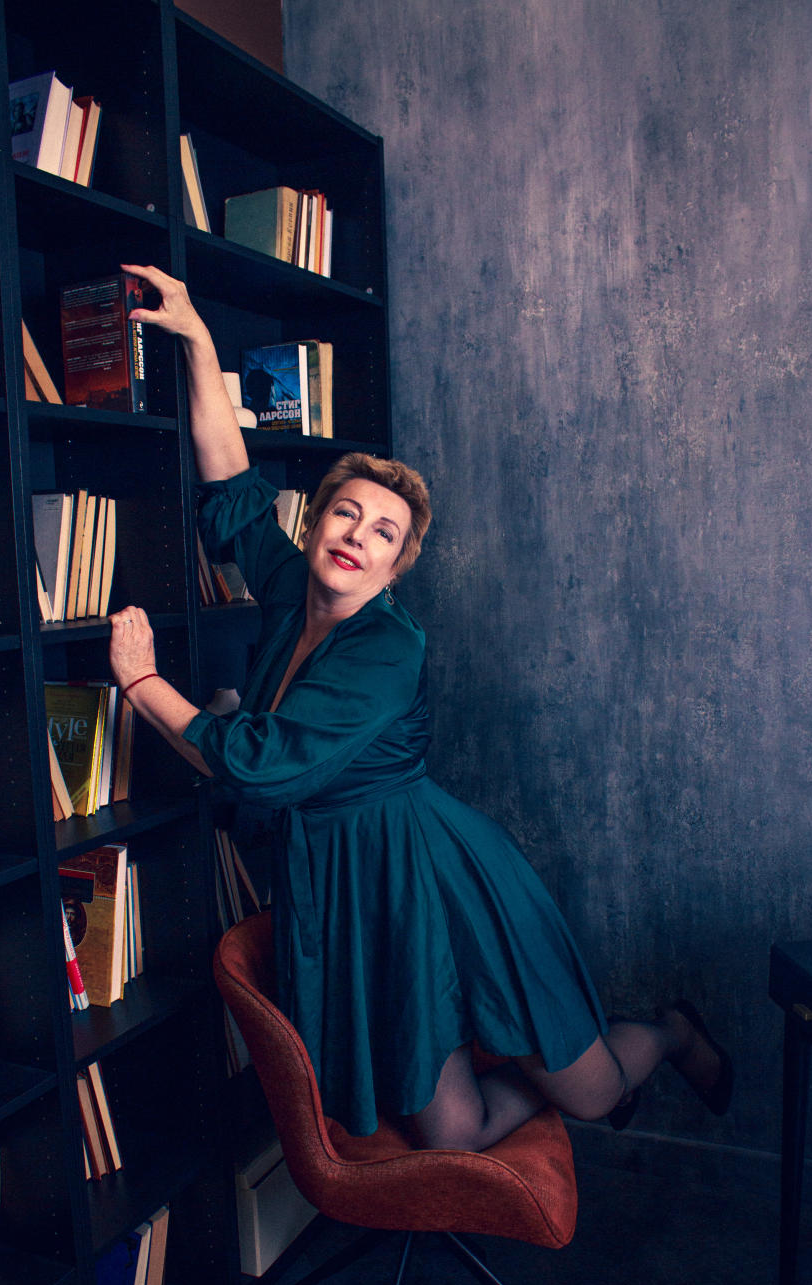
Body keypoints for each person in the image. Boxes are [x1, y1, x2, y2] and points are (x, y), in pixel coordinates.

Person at [108, 263, 734, 1149]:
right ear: (314, 522)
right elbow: (234, 486)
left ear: (397, 565)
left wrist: (143, 684)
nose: (357, 538)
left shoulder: (389, 647)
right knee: (450, 1133)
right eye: (345, 515)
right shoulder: (288, 590)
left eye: (383, 533)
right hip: (350, 884)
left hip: (431, 872)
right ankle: (539, 1064)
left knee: (594, 1094)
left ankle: (669, 1031)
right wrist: (199, 341)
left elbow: (258, 764)